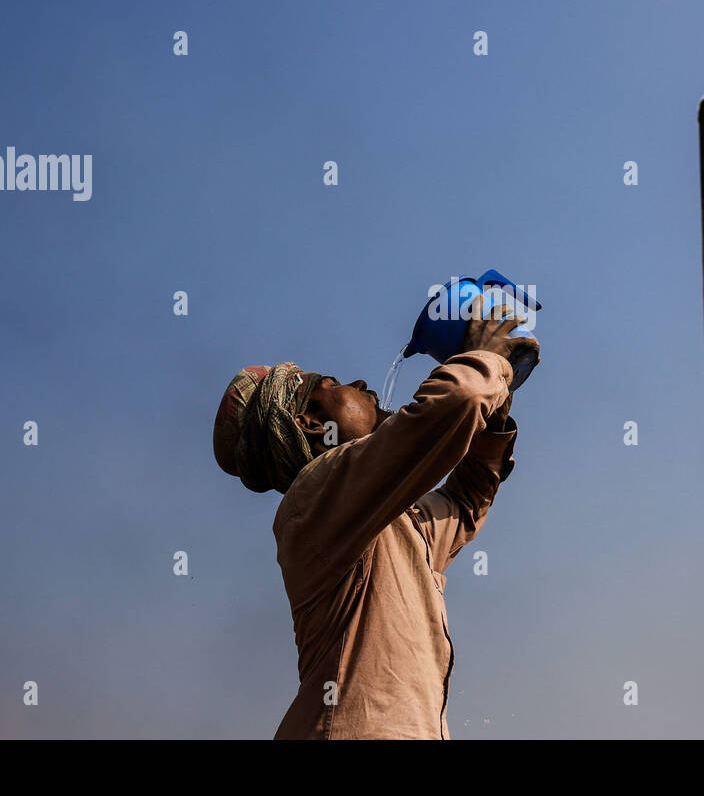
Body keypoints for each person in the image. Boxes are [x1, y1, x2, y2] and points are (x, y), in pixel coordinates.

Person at [212, 298, 538, 739]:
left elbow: (464, 502)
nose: (362, 382)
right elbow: (457, 399)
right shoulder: (312, 500)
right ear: (308, 421)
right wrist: (486, 360)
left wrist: (496, 412)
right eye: (335, 384)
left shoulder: (389, 524)